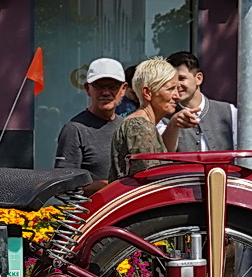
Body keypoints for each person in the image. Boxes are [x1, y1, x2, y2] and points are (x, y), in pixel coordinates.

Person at [110, 58, 196, 177]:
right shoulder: (139, 126)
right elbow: (153, 178)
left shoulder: (144, 124)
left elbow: (162, 159)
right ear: (147, 93)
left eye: (177, 88)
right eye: (170, 89)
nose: (177, 96)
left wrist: (173, 124)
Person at [53, 57, 126, 191]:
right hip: (91, 211)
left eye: (113, 86)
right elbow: (63, 186)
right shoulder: (75, 130)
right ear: (88, 89)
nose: (106, 92)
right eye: (99, 86)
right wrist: (112, 186)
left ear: (123, 89)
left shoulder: (126, 127)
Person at [161, 51, 239, 153]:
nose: (176, 84)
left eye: (182, 78)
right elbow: (164, 154)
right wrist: (173, 126)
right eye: (172, 80)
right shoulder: (164, 116)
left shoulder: (228, 111)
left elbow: (241, 153)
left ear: (198, 78)